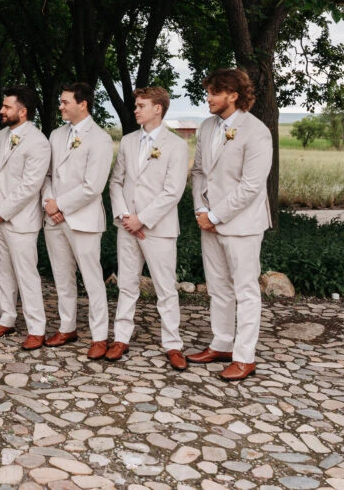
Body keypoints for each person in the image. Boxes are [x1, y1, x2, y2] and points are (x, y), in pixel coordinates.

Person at [188, 69, 272, 381]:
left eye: (214, 92)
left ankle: (244, 356)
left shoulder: (256, 131)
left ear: (233, 95)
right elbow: (198, 171)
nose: (208, 98)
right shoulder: (207, 127)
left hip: (242, 224)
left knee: (246, 290)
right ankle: (221, 343)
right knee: (218, 287)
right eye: (208, 91)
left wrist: (215, 215)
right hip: (207, 219)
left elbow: (251, 186)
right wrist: (200, 207)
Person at [107, 87, 190, 370]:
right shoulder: (128, 141)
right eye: (136, 105)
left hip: (159, 228)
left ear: (158, 109)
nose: (136, 109)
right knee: (127, 285)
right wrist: (125, 216)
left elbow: (173, 191)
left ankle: (173, 344)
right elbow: (116, 181)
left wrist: (142, 219)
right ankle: (121, 338)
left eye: (142, 105)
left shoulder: (177, 145)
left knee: (166, 288)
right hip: (127, 226)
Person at [42, 82, 114, 358]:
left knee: (92, 279)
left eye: (64, 102)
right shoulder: (56, 135)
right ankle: (67, 326)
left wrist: (59, 204)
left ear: (82, 104)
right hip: (54, 218)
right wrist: (49, 203)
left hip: (83, 219)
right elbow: (47, 175)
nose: (60, 106)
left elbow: (93, 186)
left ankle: (99, 336)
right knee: (62, 277)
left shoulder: (100, 138)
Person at [0, 86, 52, 350]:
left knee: (27, 274)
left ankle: (37, 328)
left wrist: (2, 211)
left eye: (7, 107)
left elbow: (30, 185)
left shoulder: (38, 142)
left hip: (21, 220)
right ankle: (7, 317)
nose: (1, 111)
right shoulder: (1, 137)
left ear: (22, 112)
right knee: (2, 271)